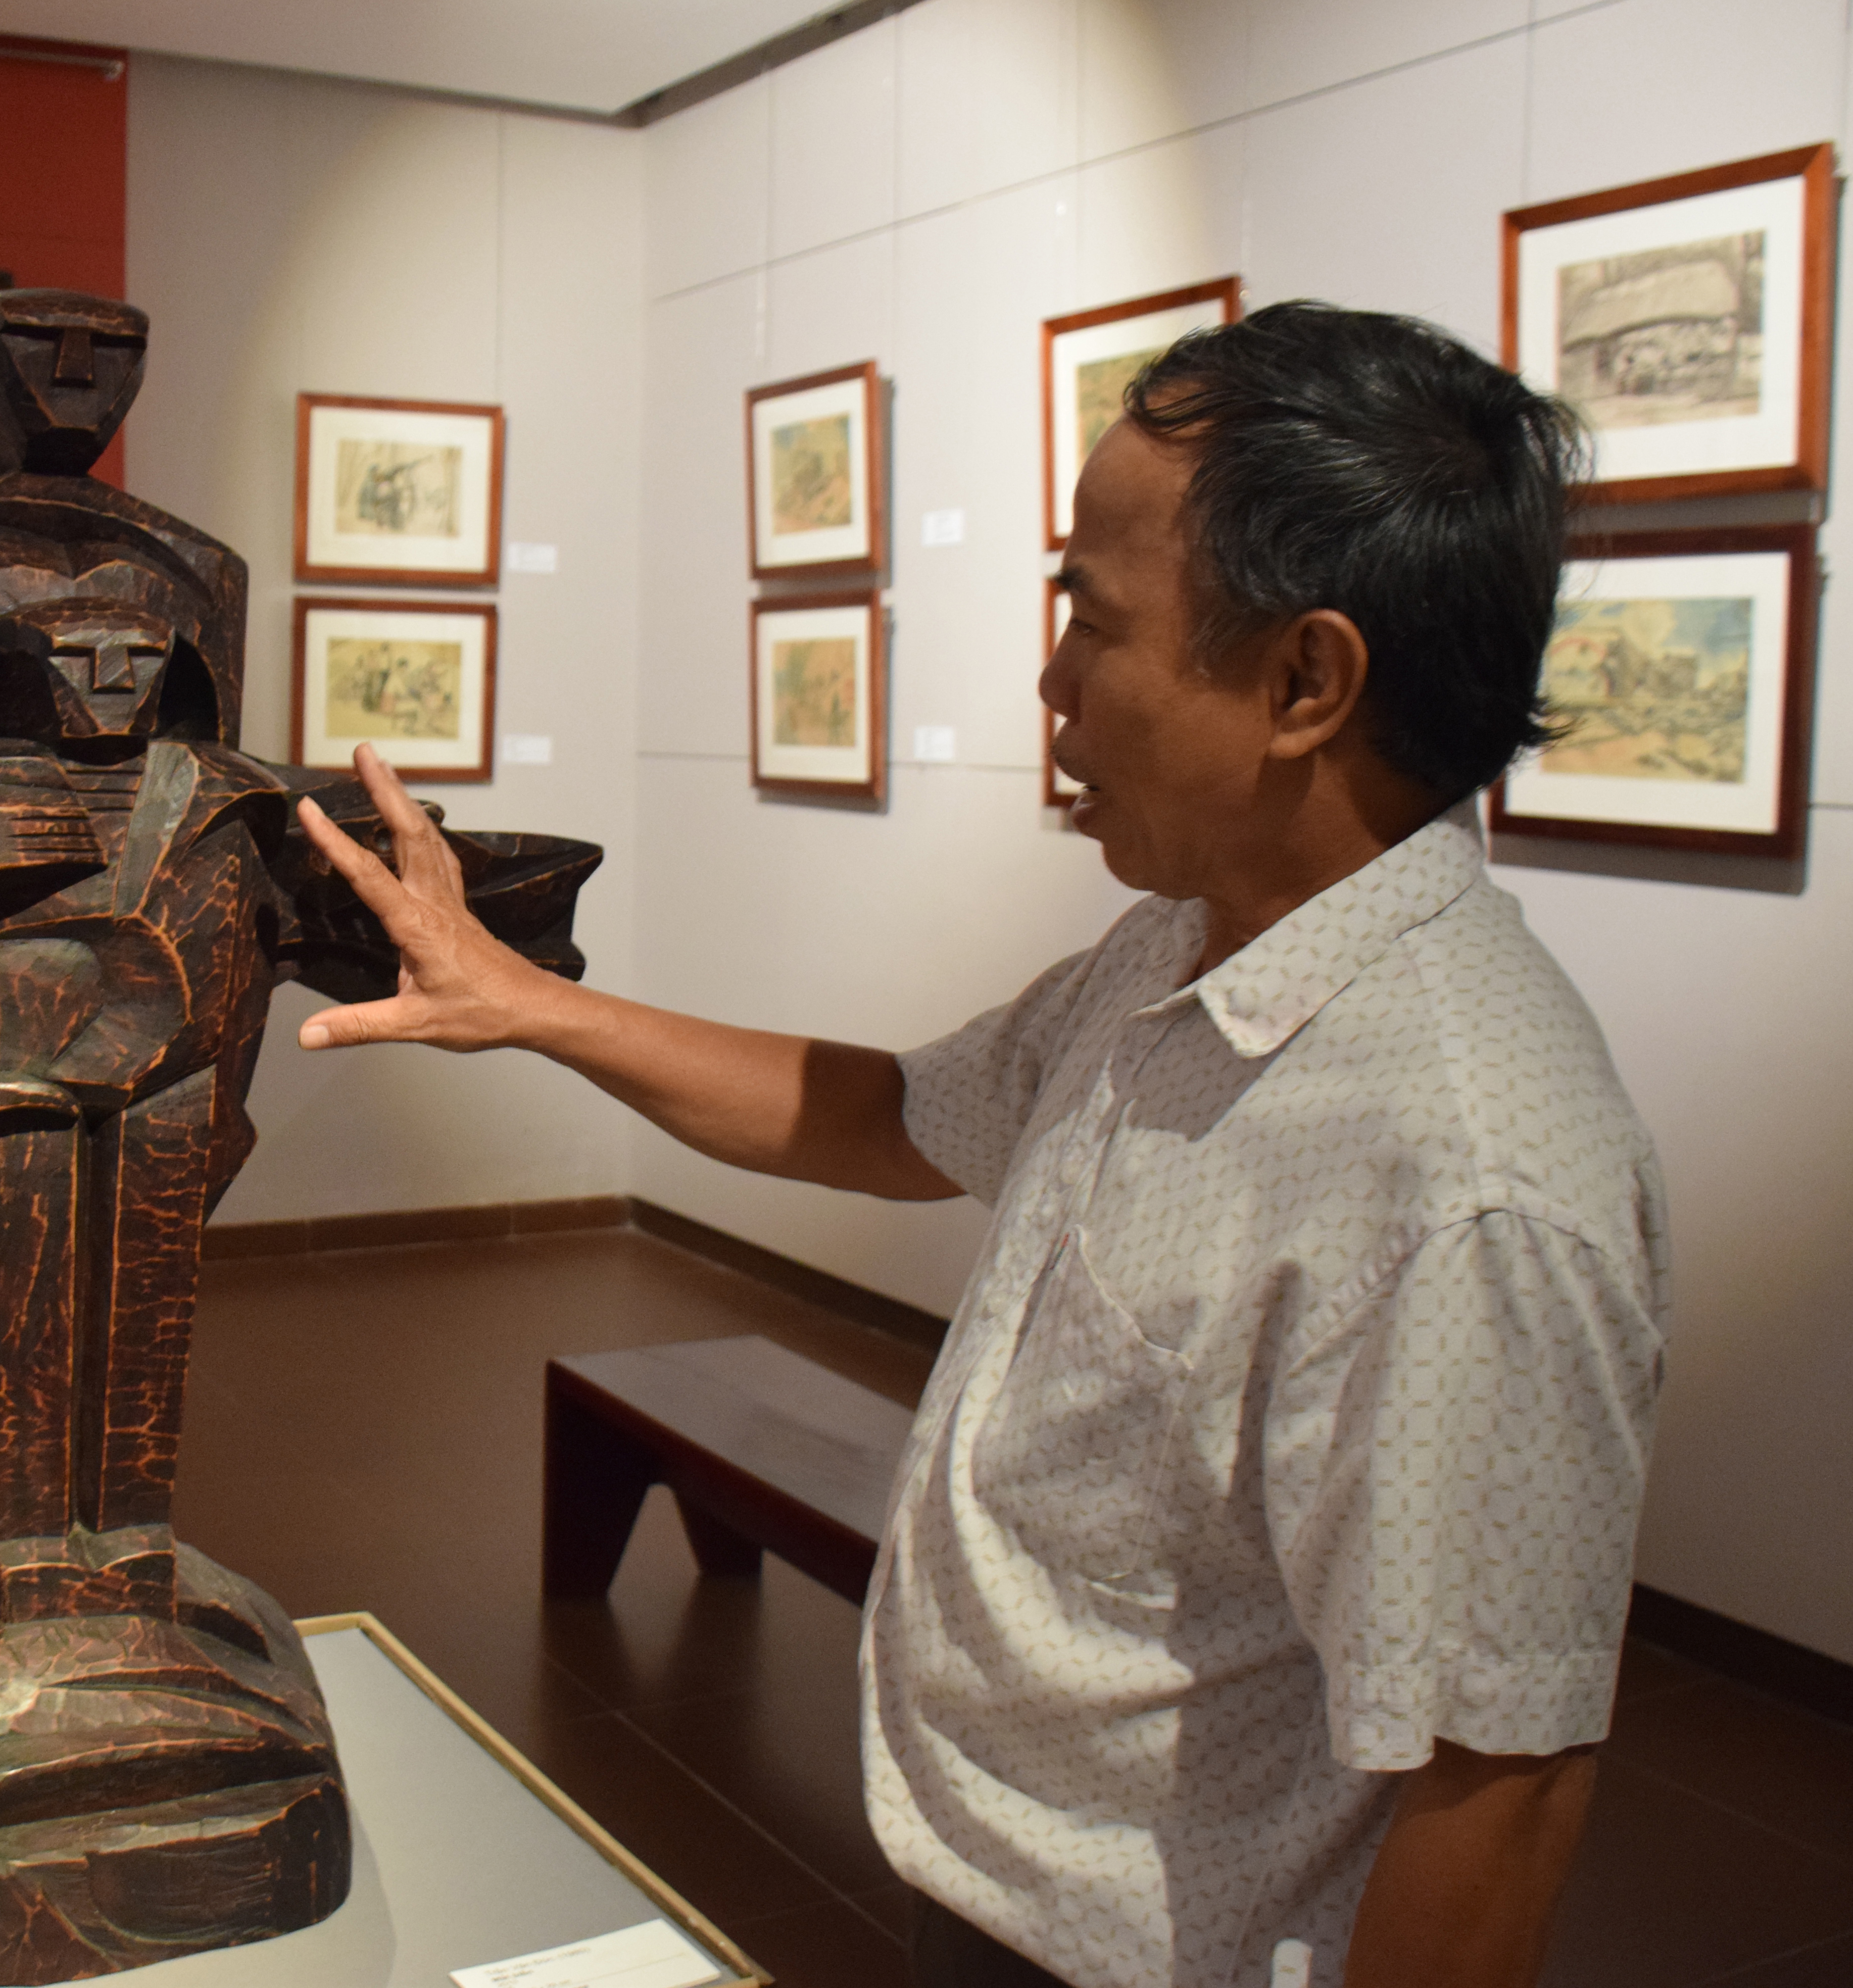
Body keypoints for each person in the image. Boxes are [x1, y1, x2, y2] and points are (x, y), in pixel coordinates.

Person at [290, 302, 1667, 1988]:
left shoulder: (1468, 1183)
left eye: (1095, 618)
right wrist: (523, 1003)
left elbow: (1496, 1795)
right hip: (1006, 1895)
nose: (1052, 678)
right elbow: (887, 1116)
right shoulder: (1185, 941)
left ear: (1306, 680)